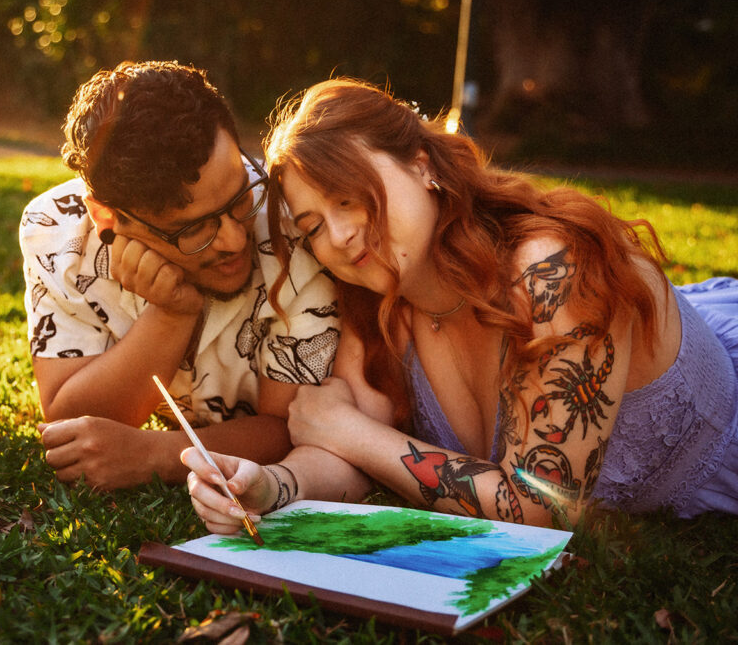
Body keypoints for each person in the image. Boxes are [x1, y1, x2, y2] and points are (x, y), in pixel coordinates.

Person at [184, 78, 738, 529]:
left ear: (422, 164)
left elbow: (540, 511)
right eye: (313, 228)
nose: (342, 235)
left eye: (350, 196)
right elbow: (340, 447)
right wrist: (273, 485)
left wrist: (353, 432)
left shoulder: (550, 272)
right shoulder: (380, 303)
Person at [20, 61, 339, 490]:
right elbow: (72, 426)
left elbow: (294, 426)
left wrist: (158, 455)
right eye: (194, 228)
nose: (232, 239)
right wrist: (171, 315)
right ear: (107, 218)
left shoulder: (292, 222)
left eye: (239, 193)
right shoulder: (57, 233)